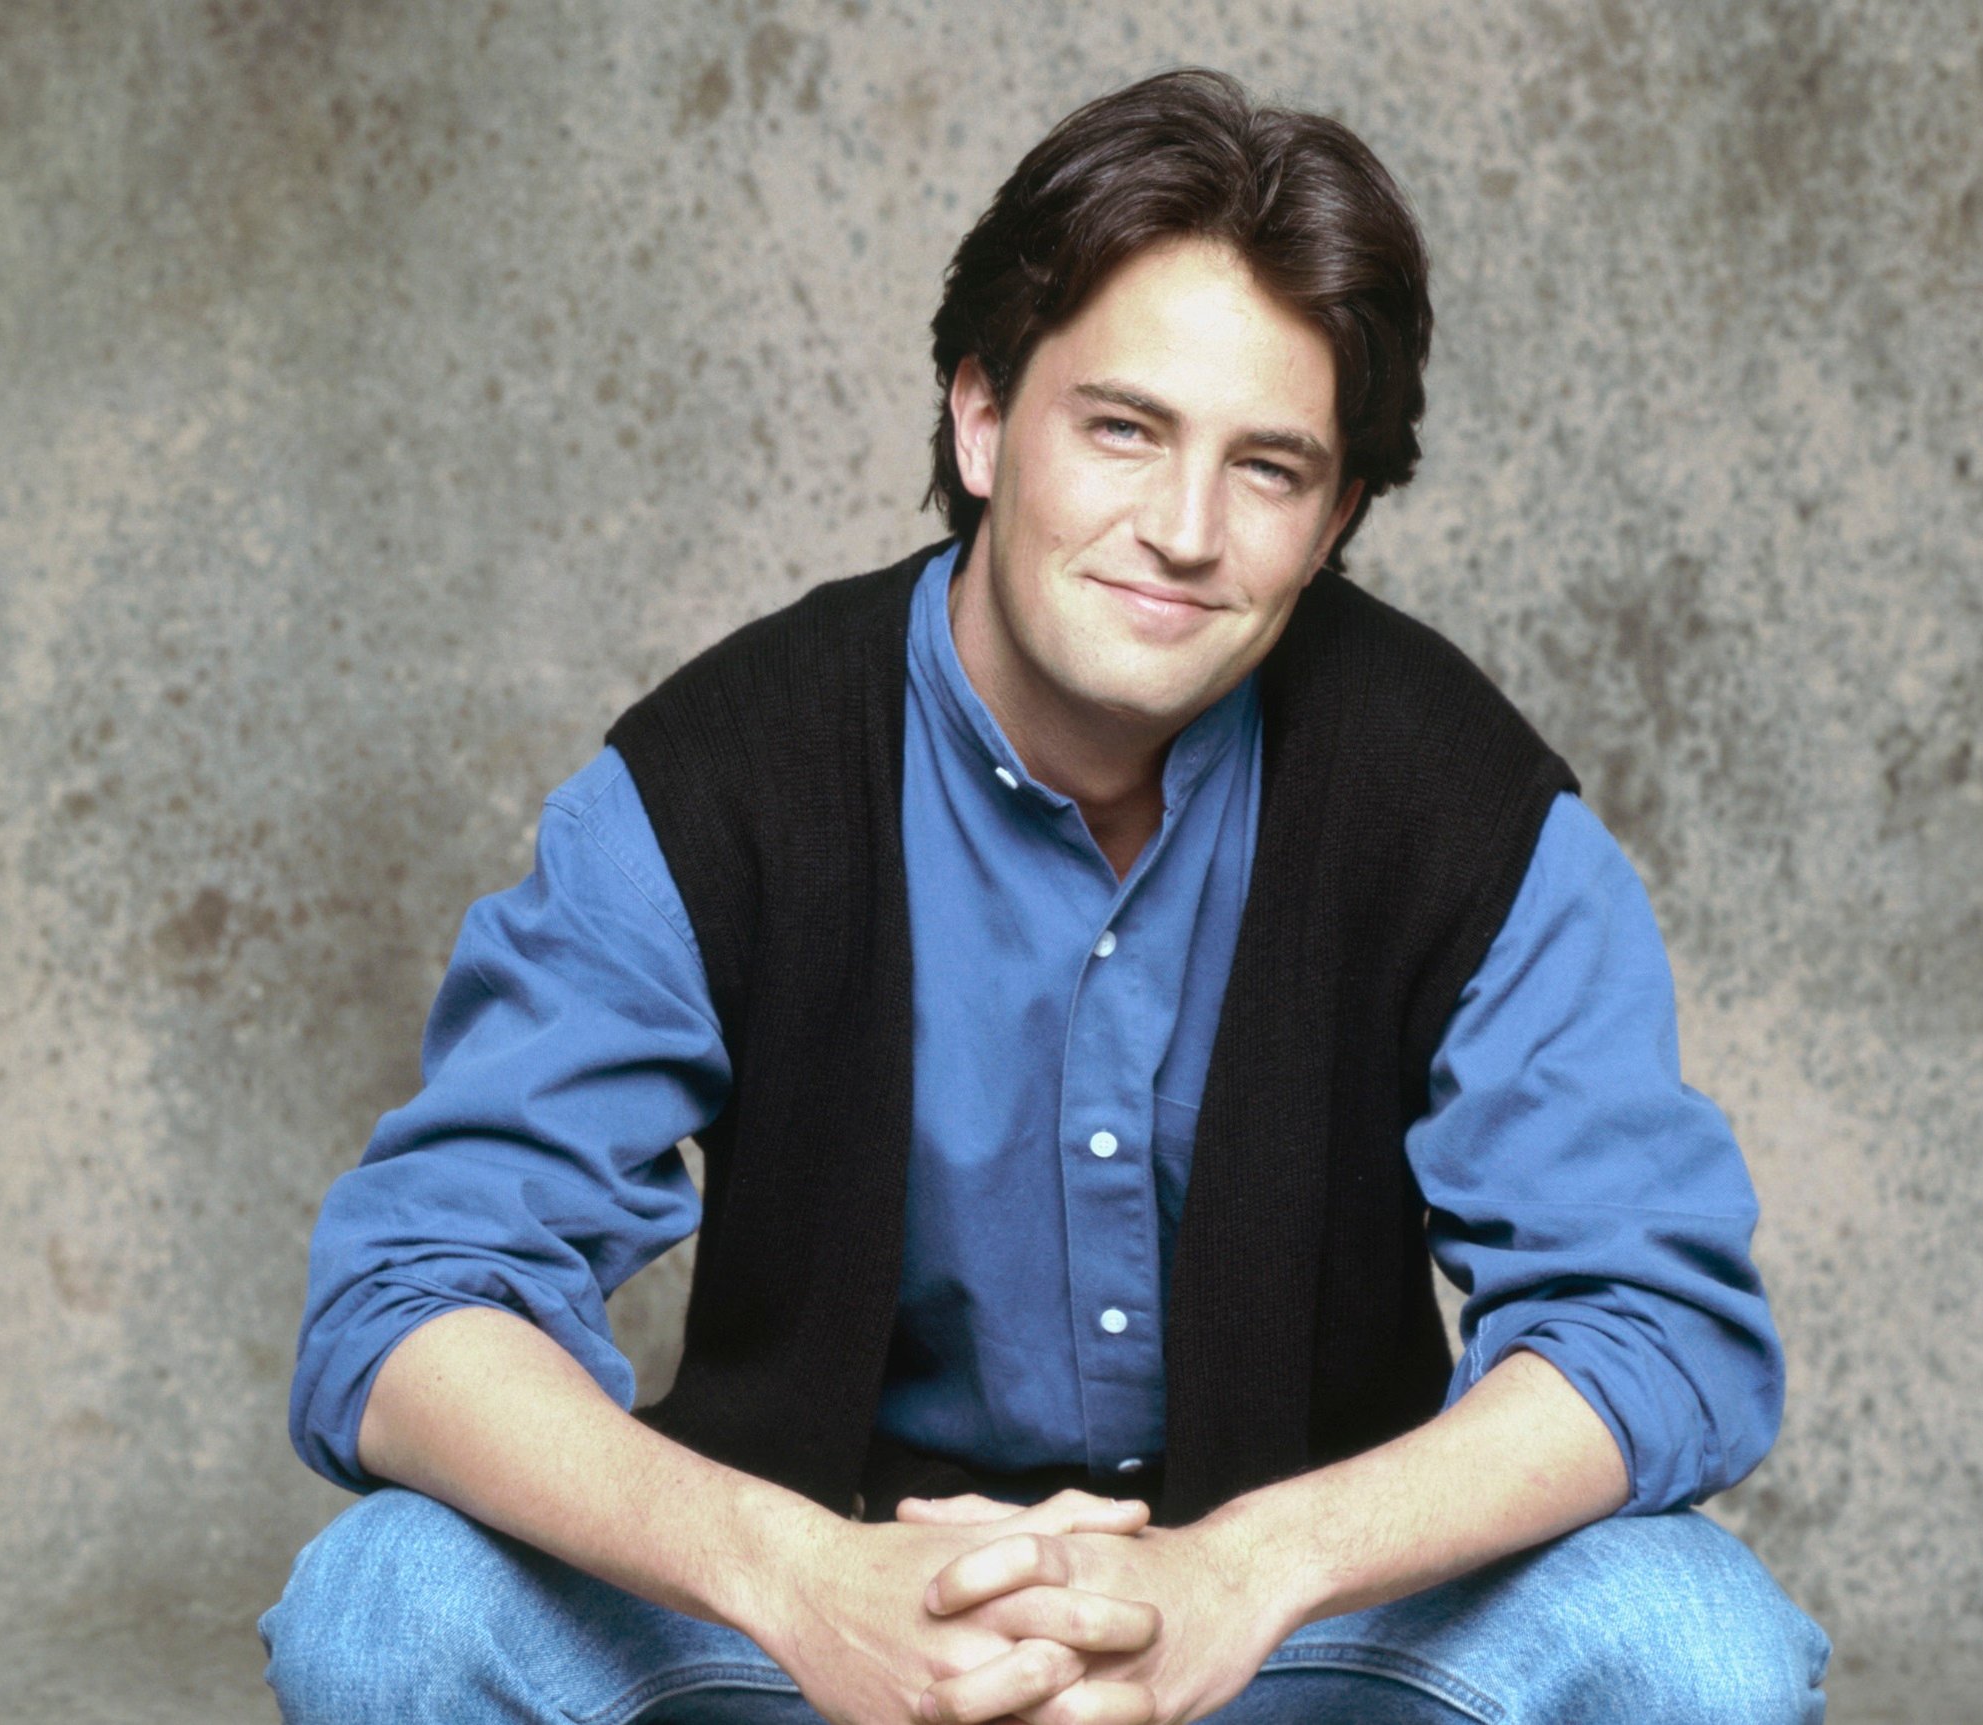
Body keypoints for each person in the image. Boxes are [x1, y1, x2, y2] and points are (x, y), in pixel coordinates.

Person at [261, 68, 1829, 1725]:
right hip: (818, 1642)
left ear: (1334, 519)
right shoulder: (721, 778)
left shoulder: (1457, 803)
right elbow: (405, 1305)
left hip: (1276, 1651)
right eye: (1122, 428)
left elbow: (1655, 1326)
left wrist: (1245, 1571)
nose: (1182, 530)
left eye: (1269, 468)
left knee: (1692, 1641)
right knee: (386, 1602)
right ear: (982, 419)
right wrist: (799, 1576)